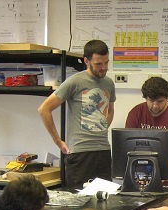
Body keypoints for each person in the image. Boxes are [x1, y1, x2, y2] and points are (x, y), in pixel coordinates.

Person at [38, 39, 116, 190]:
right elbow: (44, 109)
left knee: (104, 203)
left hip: (103, 151)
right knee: (79, 205)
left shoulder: (108, 83)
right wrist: (58, 141)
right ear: (86, 61)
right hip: (80, 153)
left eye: (106, 63)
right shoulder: (75, 81)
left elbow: (110, 110)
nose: (104, 68)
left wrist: (103, 127)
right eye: (98, 64)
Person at [125, 77, 168, 193]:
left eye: (160, 101)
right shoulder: (136, 113)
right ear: (145, 98)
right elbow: (128, 148)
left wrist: (164, 174)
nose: (155, 106)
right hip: (139, 182)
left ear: (167, 98)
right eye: (151, 100)